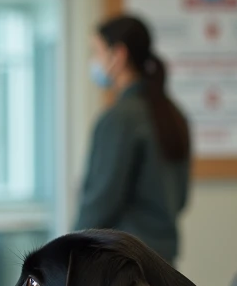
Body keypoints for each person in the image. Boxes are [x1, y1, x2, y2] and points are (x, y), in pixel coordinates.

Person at [76, 15, 192, 264]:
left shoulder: (120, 118)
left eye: (96, 52)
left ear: (117, 55)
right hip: (163, 262)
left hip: (123, 264)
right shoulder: (173, 114)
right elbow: (180, 197)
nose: (93, 62)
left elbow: (100, 203)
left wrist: (69, 252)